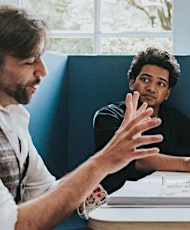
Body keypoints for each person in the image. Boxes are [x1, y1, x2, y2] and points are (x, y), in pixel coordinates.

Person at [0, 5, 164, 229]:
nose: (43, 71)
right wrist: (105, 160)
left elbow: (46, 193)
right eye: (29, 61)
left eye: (40, 58)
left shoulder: (13, 117)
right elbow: (16, 225)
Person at [93, 47, 190, 194]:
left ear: (167, 93)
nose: (151, 88)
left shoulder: (172, 118)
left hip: (161, 194)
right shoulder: (108, 116)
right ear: (132, 82)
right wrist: (187, 164)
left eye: (160, 84)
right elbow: (134, 159)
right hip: (114, 197)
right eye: (145, 79)